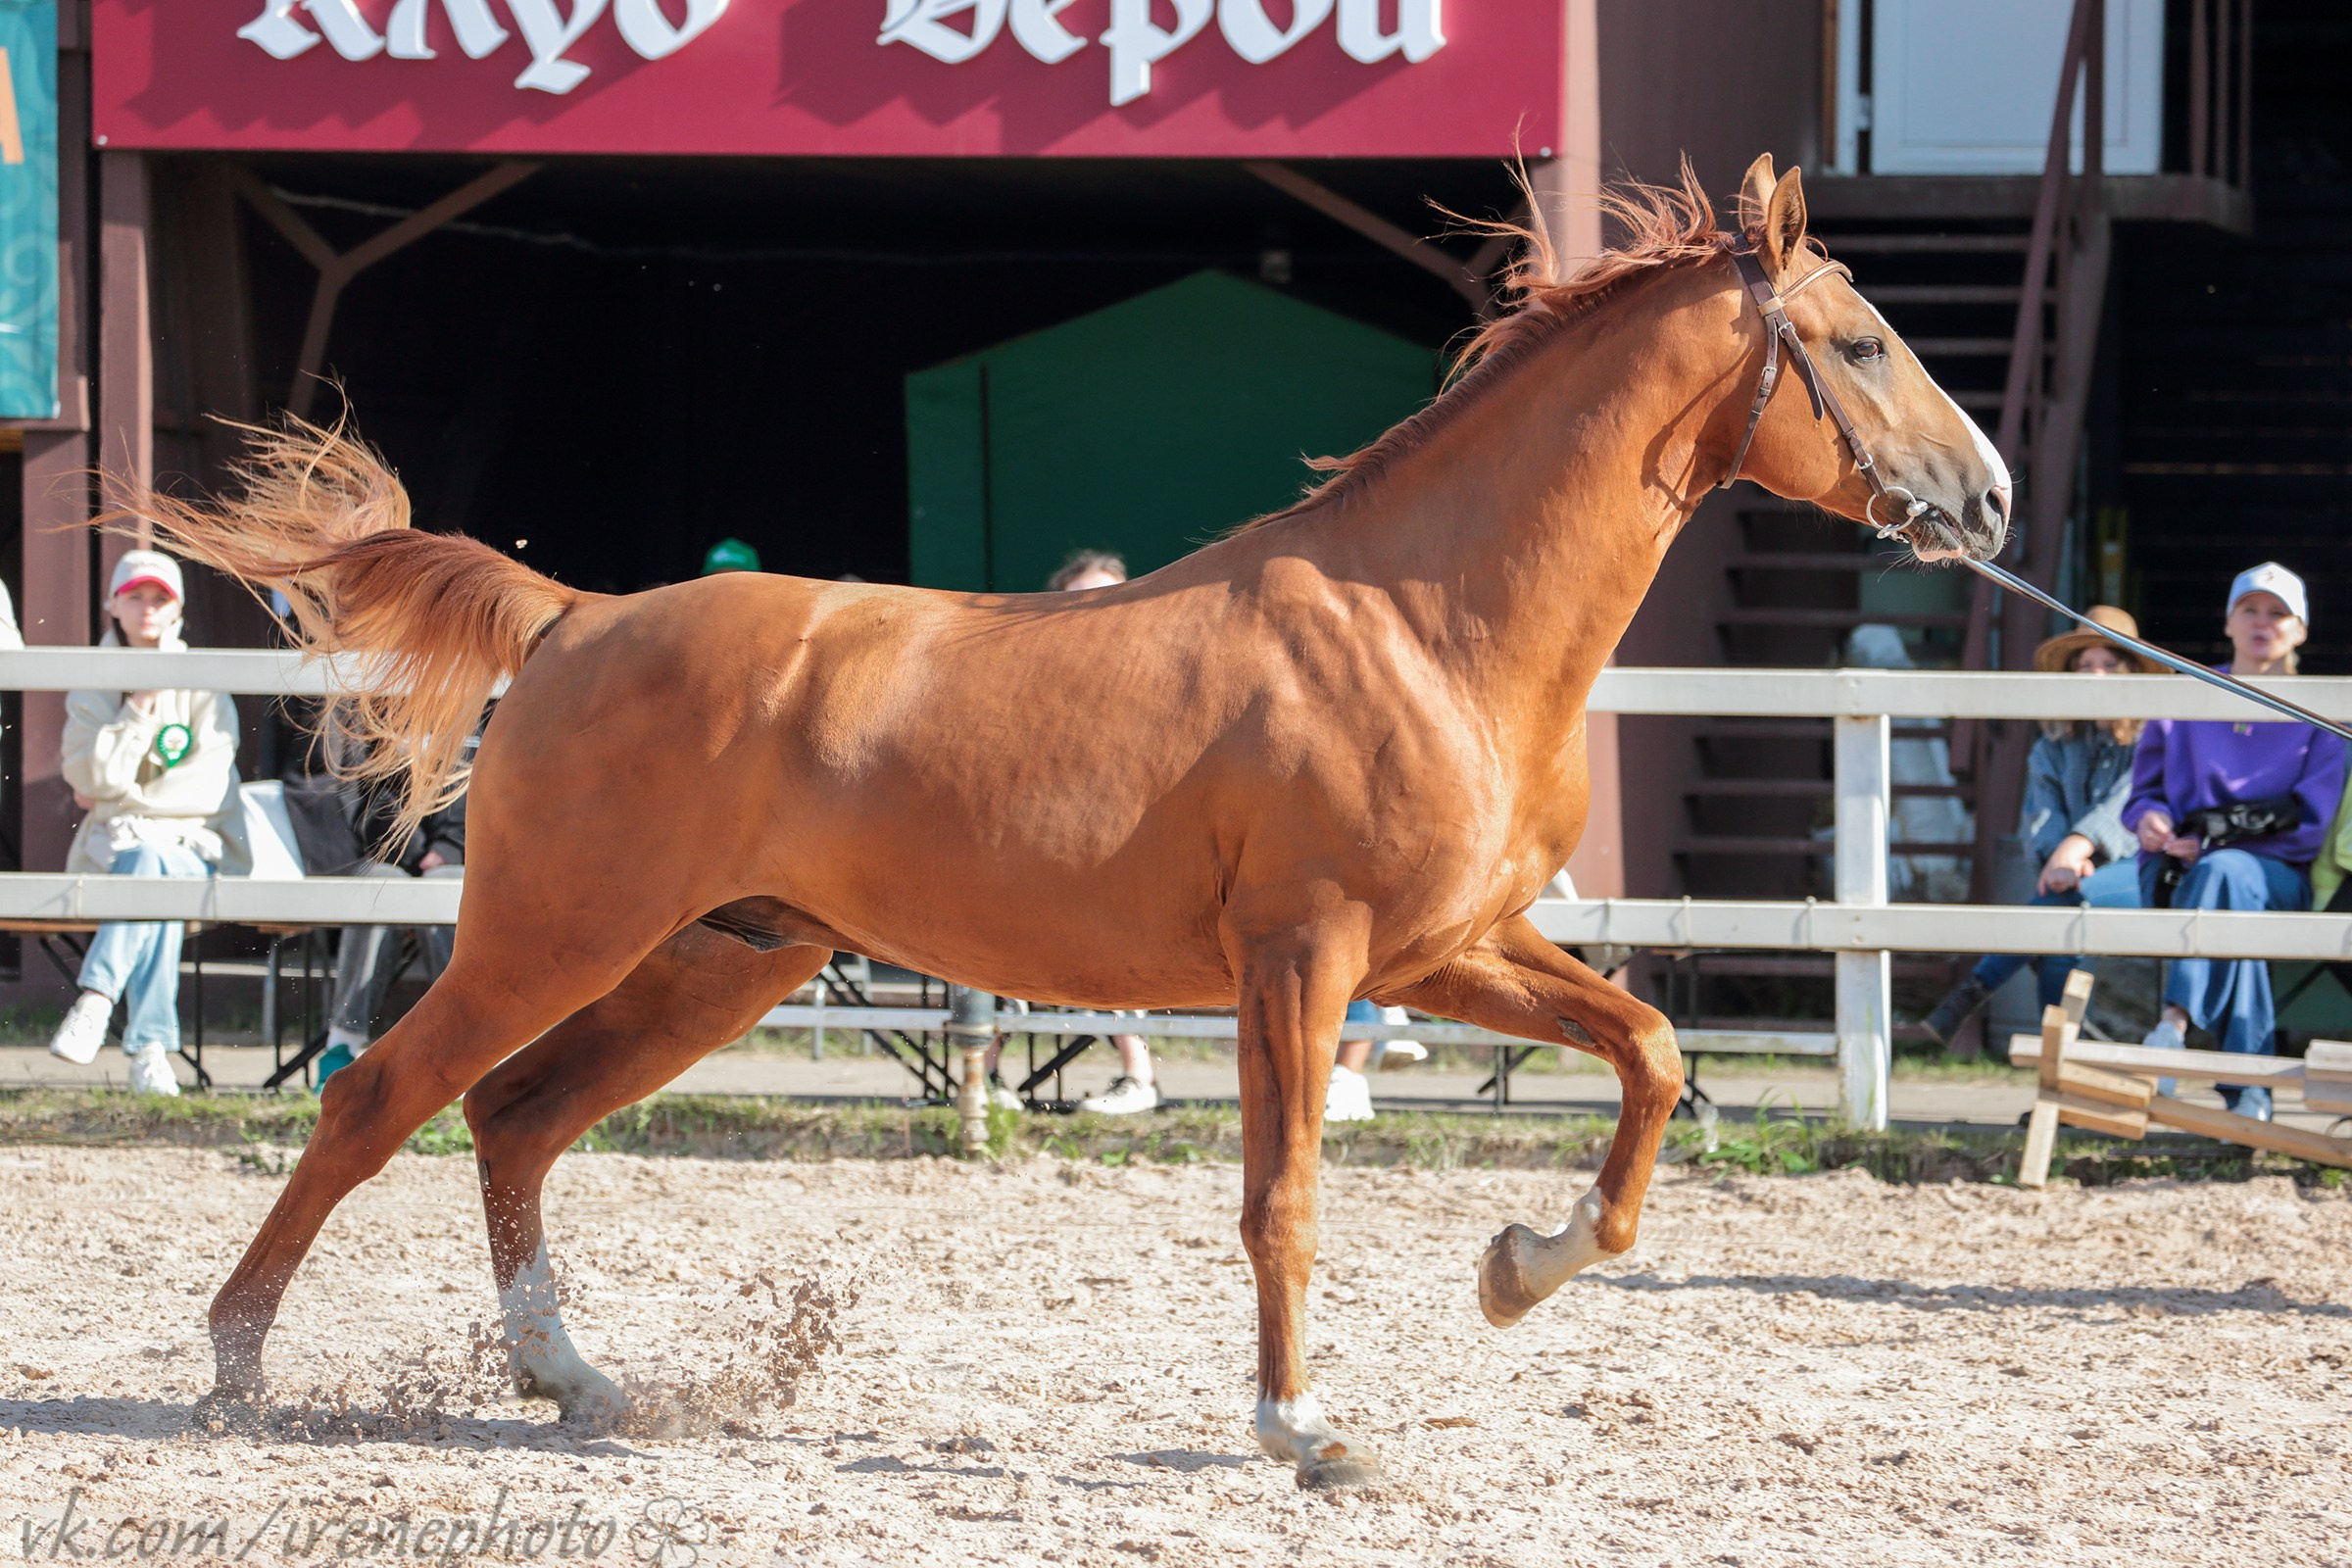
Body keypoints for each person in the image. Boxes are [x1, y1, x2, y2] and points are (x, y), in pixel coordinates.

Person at [2124, 564, 2348, 1120]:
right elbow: (2144, 796)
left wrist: (2211, 836)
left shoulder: (2323, 708)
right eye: (2250, 610)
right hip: (2180, 871)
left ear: (2301, 630)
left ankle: (2174, 1022)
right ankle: (2248, 1096)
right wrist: (2153, 822)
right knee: (2231, 914)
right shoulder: (2186, 697)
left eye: (2278, 614)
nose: (2262, 623)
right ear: (2228, 622)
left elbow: (2309, 823)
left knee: (2226, 874)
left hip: (2278, 875)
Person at [46, 550, 247, 1095]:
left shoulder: (203, 680)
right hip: (120, 851)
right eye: (136, 596)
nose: (148, 608)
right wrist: (138, 707)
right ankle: (150, 1051)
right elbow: (85, 776)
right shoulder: (93, 681)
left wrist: (119, 800)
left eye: (161, 598)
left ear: (178, 609)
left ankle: (96, 999)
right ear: (113, 604)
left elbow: (207, 785)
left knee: (154, 860)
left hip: (194, 845)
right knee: (154, 871)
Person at [1924, 607, 2154, 1046]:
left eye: (2110, 665)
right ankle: (2061, 1059)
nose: (2097, 675)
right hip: (2070, 876)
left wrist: (2078, 847)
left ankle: (1981, 987)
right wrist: (2058, 858)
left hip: (2141, 869)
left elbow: (2131, 807)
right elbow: (2042, 816)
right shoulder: (2051, 748)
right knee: (2059, 932)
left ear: (2131, 672)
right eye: (2085, 666)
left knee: (2063, 904)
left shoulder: (2151, 740)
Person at [284, 718, 474, 1085]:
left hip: (459, 854)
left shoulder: (477, 708)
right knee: (377, 892)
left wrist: (450, 847)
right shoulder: (375, 711)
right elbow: (357, 795)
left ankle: (465, 1038)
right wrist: (405, 846)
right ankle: (343, 1040)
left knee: (446, 891)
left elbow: (483, 787)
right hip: (382, 850)